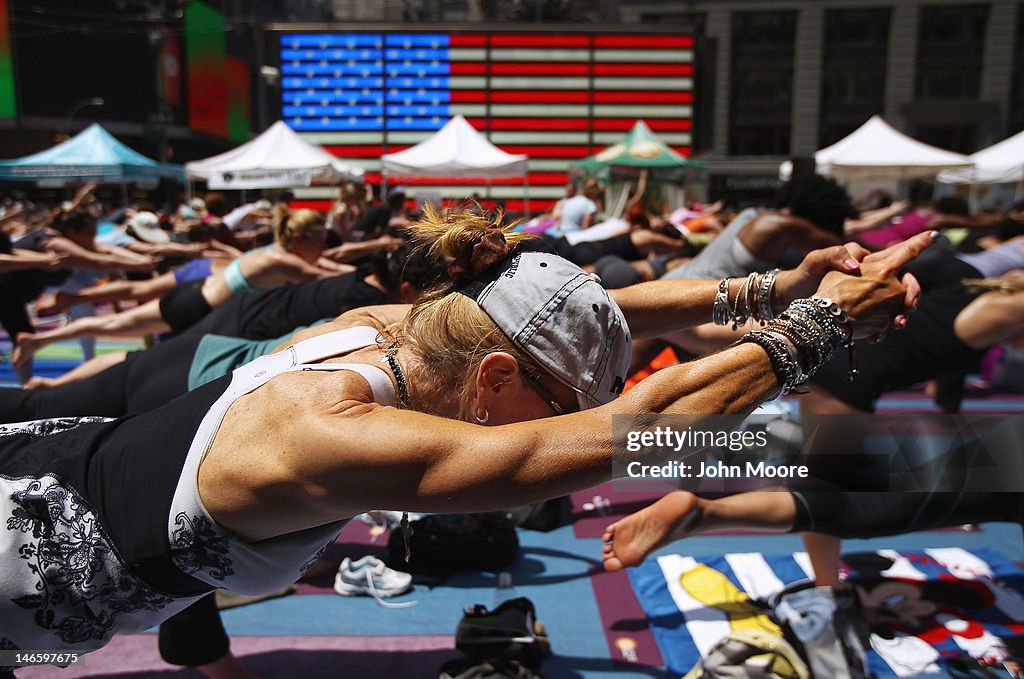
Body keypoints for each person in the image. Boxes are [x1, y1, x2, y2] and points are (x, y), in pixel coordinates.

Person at [0, 205, 929, 664]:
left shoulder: (392, 327)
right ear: (492, 377)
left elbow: (603, 305)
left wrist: (772, 290)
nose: (562, 430)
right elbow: (631, 431)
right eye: (555, 404)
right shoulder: (332, 438)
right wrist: (822, 327)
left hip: (53, 467)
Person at [11, 207, 349, 368]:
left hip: (196, 294)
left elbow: (328, 264)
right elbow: (330, 274)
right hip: (195, 309)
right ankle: (49, 359)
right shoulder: (285, 261)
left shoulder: (273, 253)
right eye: (321, 239)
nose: (325, 245)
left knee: (117, 321)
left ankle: (40, 338)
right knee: (138, 356)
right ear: (301, 238)